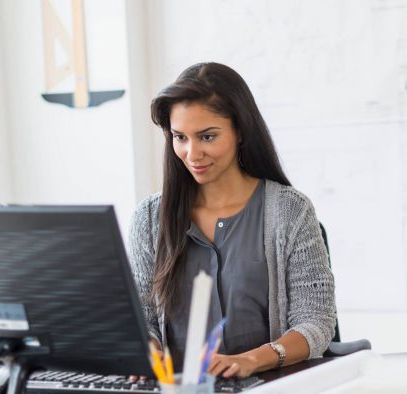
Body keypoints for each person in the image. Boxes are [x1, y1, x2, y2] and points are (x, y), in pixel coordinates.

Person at [128, 62, 336, 379]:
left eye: (207, 137)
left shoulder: (290, 212)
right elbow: (141, 317)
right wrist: (147, 350)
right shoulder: (149, 218)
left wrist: (253, 360)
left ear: (240, 131)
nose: (192, 153)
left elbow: (316, 322)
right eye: (180, 137)